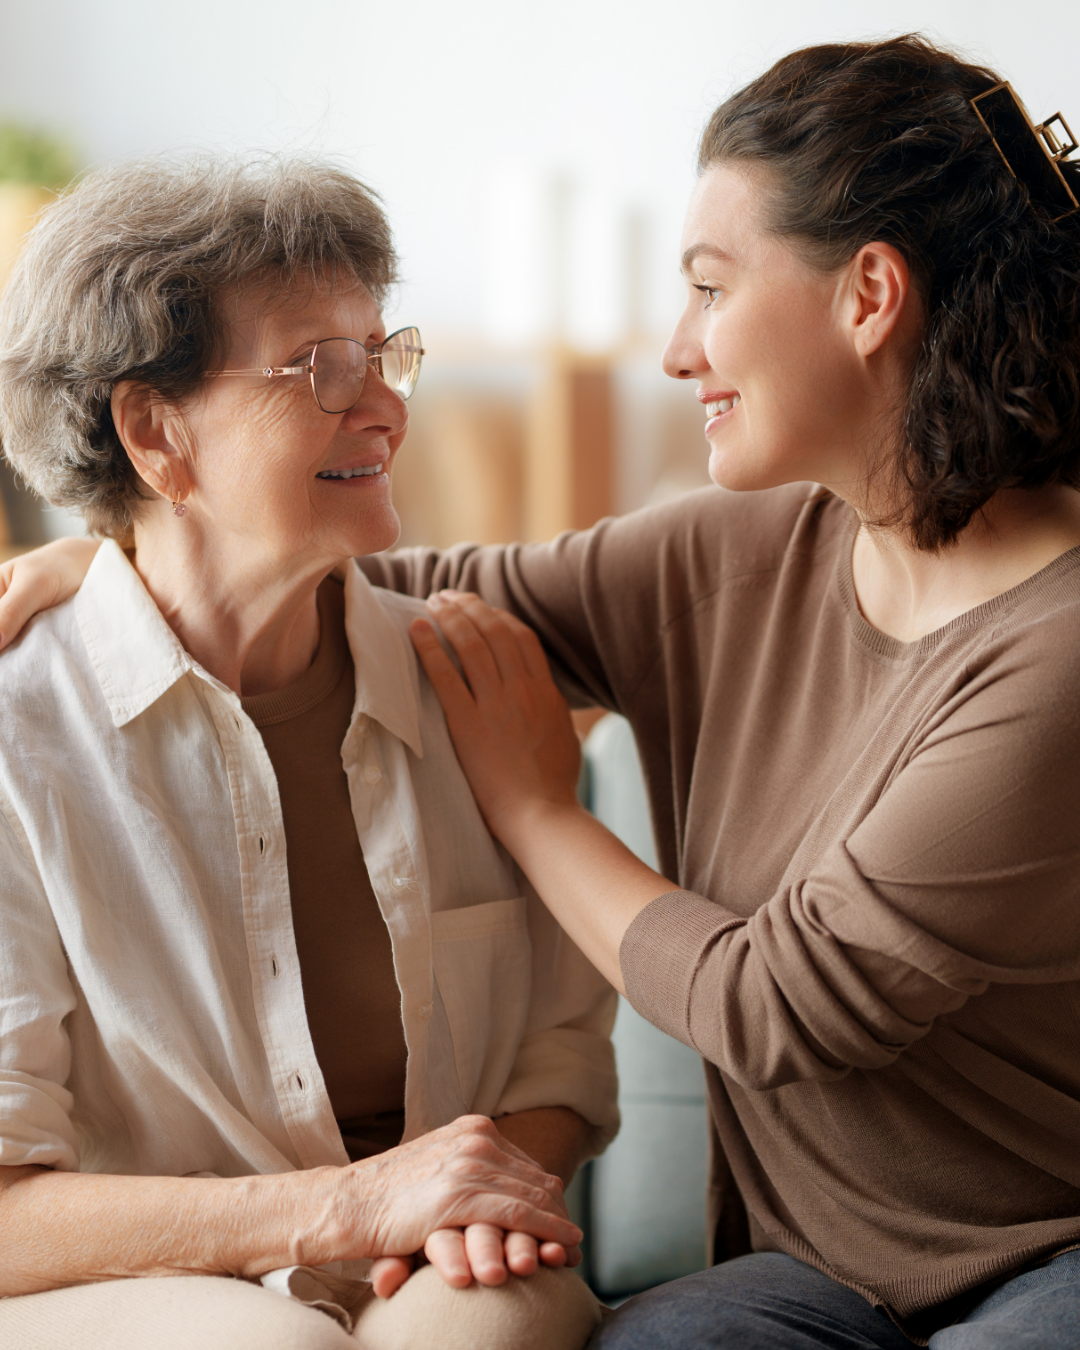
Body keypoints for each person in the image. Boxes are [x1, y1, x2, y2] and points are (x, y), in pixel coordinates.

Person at [8, 32, 1080, 1350]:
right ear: (153, 429)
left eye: (707, 285)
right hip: (811, 1274)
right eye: (319, 368)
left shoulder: (1056, 650)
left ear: (869, 297)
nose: (677, 347)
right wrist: (107, 551)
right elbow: (360, 584)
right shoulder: (732, 555)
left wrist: (532, 804)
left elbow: (776, 1006)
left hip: (1047, 1252)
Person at [0, 155, 615, 1350]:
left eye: (385, 354)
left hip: (432, 1255)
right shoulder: (22, 727)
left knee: (481, 1332)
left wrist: (466, 1204)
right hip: (130, 1279)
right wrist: (346, 1204)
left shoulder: (472, 679)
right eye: (321, 366)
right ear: (153, 432)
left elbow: (560, 1057)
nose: (383, 403)